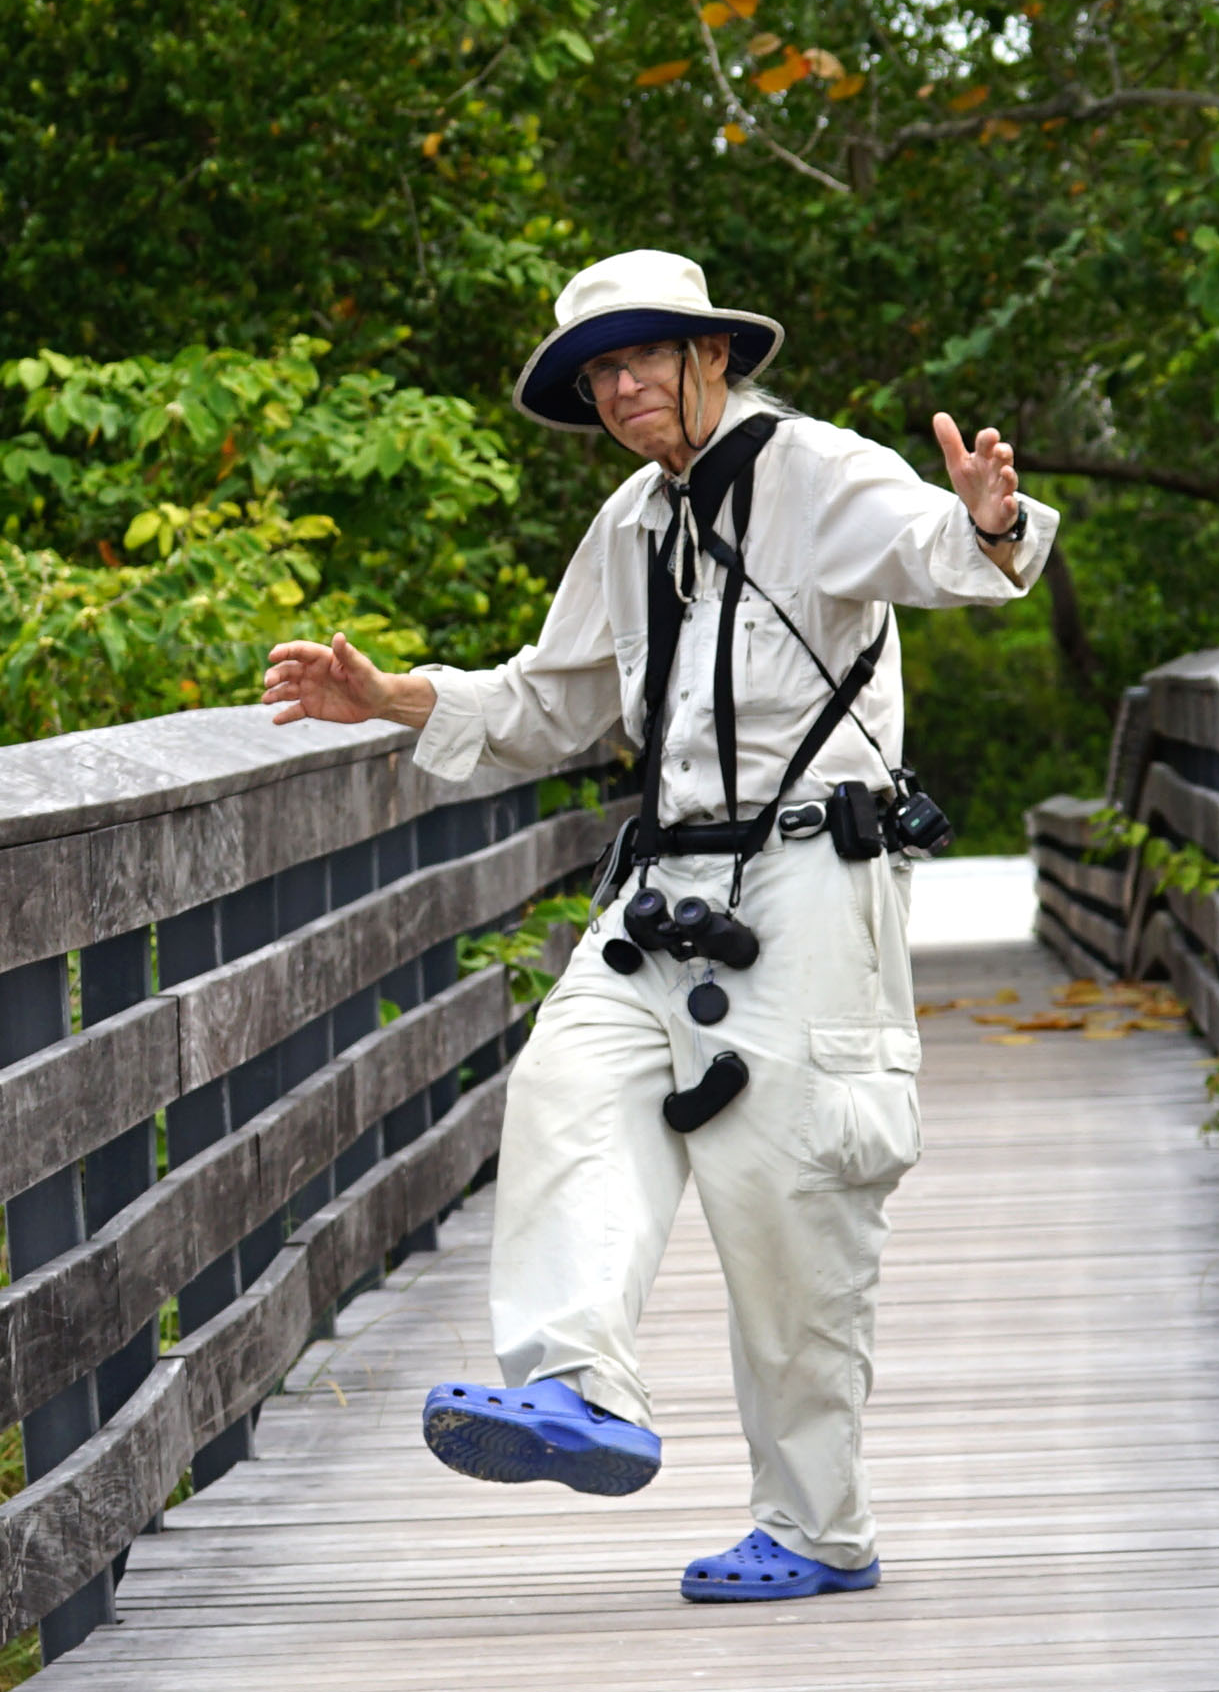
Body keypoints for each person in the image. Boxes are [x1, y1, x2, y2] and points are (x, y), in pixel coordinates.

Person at [262, 249, 1058, 1603]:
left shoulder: (815, 472)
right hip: (662, 888)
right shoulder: (636, 522)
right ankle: (579, 1391)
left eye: (643, 355)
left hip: (814, 878)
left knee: (790, 1197)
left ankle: (817, 1529)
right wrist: (395, 698)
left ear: (713, 357)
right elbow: (557, 699)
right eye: (599, 370)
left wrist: (990, 517)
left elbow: (944, 549)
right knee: (570, 1085)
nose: (621, 384)